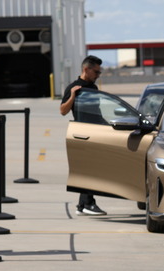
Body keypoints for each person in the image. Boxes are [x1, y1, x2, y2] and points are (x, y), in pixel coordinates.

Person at [60, 55, 107, 216]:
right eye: (96, 72)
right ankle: (88, 203)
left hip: (95, 132)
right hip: (82, 133)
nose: (98, 75)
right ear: (86, 69)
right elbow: (63, 111)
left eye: (99, 73)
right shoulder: (74, 87)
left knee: (92, 169)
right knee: (89, 170)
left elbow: (97, 112)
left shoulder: (93, 88)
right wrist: (72, 96)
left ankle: (83, 205)